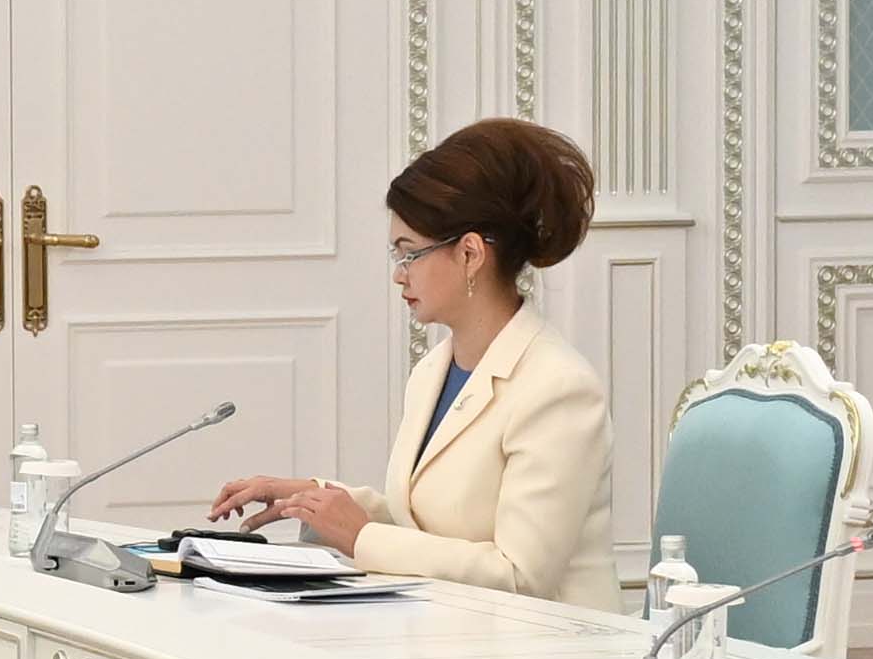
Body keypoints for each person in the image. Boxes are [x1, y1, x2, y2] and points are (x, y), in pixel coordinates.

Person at [206, 118, 615, 601]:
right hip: (453, 629)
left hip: (548, 642)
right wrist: (311, 496)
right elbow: (426, 526)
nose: (399, 275)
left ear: (469, 254)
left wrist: (360, 537)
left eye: (410, 254)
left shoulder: (559, 387)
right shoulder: (432, 372)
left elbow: (519, 576)